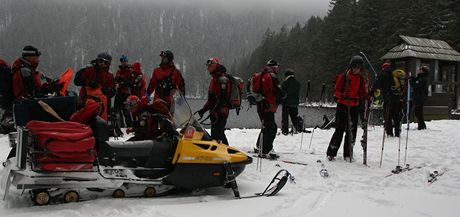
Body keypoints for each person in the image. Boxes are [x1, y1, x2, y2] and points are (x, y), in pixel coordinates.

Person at [326, 56, 366, 161]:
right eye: (355, 67)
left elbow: (362, 93)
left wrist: (368, 96)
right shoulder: (344, 76)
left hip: (354, 106)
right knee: (339, 129)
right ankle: (331, 152)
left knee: (351, 131)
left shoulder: (361, 79)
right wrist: (342, 95)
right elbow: (336, 90)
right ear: (351, 66)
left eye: (359, 67)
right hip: (343, 105)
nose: (356, 69)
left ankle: (348, 154)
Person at [252, 59, 283, 158]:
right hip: (268, 105)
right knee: (271, 128)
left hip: (260, 104)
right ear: (274, 67)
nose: (278, 69)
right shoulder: (272, 76)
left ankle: (259, 146)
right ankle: (267, 149)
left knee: (265, 126)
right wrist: (283, 97)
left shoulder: (260, 75)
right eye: (277, 67)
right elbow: (276, 91)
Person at [196, 57, 231, 145]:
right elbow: (211, 99)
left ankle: (227, 152)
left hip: (221, 111)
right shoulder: (214, 79)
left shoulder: (222, 79)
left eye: (210, 66)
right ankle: (217, 152)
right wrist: (203, 110)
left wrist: (215, 109)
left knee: (219, 132)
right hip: (214, 112)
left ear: (215, 65)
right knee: (215, 134)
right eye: (207, 66)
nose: (208, 68)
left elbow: (223, 98)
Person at [74, 52, 115, 120]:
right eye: (101, 61)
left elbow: (113, 90)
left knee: (101, 123)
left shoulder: (110, 75)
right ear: (97, 60)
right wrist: (89, 83)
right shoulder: (89, 68)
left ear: (109, 64)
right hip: (86, 100)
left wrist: (108, 91)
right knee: (84, 119)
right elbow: (77, 80)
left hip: (102, 105)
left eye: (105, 62)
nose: (102, 64)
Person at [373, 62, 406, 137]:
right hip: (397, 98)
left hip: (388, 99)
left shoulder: (383, 75)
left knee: (388, 116)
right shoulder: (394, 75)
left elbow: (377, 84)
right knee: (396, 116)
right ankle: (397, 133)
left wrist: (373, 90)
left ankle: (389, 132)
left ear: (383, 68)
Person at [281, 68, 305, 135]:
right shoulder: (297, 83)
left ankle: (285, 131)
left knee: (285, 118)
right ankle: (298, 128)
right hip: (294, 103)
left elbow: (283, 93)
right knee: (294, 117)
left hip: (286, 104)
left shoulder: (285, 83)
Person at [113, 55, 134, 127]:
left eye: (125, 61)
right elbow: (115, 79)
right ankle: (120, 125)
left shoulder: (129, 71)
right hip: (119, 92)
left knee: (126, 111)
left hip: (126, 93)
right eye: (122, 61)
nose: (123, 62)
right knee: (117, 110)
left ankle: (129, 126)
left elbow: (130, 82)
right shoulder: (119, 71)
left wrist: (121, 83)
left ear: (127, 61)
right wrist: (116, 84)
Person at [411, 66, 429, 130]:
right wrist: (412, 78)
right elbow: (416, 80)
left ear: (423, 71)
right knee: (418, 111)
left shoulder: (423, 78)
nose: (419, 70)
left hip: (420, 97)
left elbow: (416, 85)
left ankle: (421, 125)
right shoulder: (420, 77)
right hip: (419, 96)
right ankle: (422, 125)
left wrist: (411, 82)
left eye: (421, 70)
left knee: (418, 112)